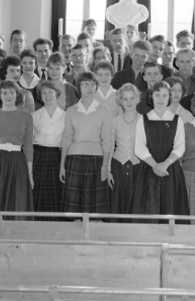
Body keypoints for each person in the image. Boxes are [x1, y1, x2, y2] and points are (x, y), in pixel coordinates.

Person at [129, 80, 190, 220]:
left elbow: (180, 147)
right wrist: (156, 166)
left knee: (170, 211)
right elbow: (139, 147)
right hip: (148, 170)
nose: (160, 99)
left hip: (170, 170)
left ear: (169, 97)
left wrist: (165, 164)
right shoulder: (143, 119)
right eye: (157, 95)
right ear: (151, 96)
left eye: (164, 95)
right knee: (148, 213)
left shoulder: (177, 120)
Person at [0, 79, 35, 218]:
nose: (8, 96)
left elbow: (28, 147)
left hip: (17, 162)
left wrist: (29, 174)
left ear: (17, 95)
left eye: (11, 92)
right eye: (4, 93)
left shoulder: (27, 117)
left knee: (17, 203)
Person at [60, 72, 112, 213]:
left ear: (96, 87)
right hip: (74, 160)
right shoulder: (71, 110)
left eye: (92, 84)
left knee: (96, 212)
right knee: (74, 212)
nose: (89, 87)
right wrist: (62, 166)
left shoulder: (104, 111)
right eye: (85, 84)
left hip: (96, 160)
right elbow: (67, 138)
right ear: (79, 87)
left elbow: (107, 141)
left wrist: (105, 166)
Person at [31, 80, 65, 214]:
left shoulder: (66, 116)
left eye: (50, 92)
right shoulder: (34, 116)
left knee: (56, 192)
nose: (47, 95)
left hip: (58, 156)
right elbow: (30, 141)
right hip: (39, 156)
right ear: (40, 96)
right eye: (43, 93)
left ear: (56, 93)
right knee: (38, 192)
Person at [108, 83, 141, 217]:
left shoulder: (144, 120)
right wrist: (108, 170)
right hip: (118, 166)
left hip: (137, 166)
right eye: (125, 99)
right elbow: (110, 146)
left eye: (132, 98)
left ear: (137, 99)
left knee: (136, 203)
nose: (129, 102)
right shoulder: (114, 121)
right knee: (117, 203)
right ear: (120, 101)